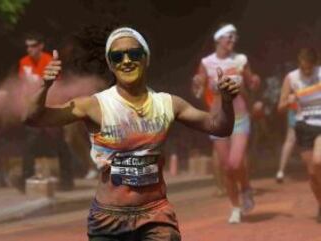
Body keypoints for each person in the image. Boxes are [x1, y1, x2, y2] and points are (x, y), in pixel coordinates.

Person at [24, 27, 239, 240]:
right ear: (111, 64)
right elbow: (33, 118)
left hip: (155, 216)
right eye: (118, 56)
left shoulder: (168, 104)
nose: (126, 60)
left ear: (145, 59)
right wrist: (45, 86)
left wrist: (226, 102)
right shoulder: (94, 106)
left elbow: (220, 127)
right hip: (107, 220)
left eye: (134, 54)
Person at [192, 23, 261, 223]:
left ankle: (246, 188)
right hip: (217, 120)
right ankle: (235, 208)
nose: (232, 40)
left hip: (240, 117)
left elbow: (252, 82)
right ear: (218, 39)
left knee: (236, 162)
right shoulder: (206, 62)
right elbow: (198, 84)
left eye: (234, 37)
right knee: (227, 167)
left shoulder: (241, 60)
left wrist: (255, 80)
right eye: (228, 37)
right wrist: (197, 82)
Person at [19, 32, 75, 191]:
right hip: (33, 110)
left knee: (59, 144)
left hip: (50, 109)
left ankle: (67, 181)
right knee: (29, 145)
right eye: (27, 46)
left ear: (40, 46)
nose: (29, 49)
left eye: (32, 45)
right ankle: (26, 181)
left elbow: (56, 86)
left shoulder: (49, 61)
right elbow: (24, 86)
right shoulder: (24, 62)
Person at [278, 48, 321, 223]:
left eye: (309, 67)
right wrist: (288, 102)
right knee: (311, 173)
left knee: (319, 161)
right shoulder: (291, 78)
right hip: (303, 126)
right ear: (299, 64)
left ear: (315, 64)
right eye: (304, 68)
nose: (307, 71)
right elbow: (280, 106)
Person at [275, 107, 297, 183]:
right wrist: (290, 102)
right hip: (296, 115)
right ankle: (281, 171)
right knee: (290, 140)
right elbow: (280, 107)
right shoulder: (289, 94)